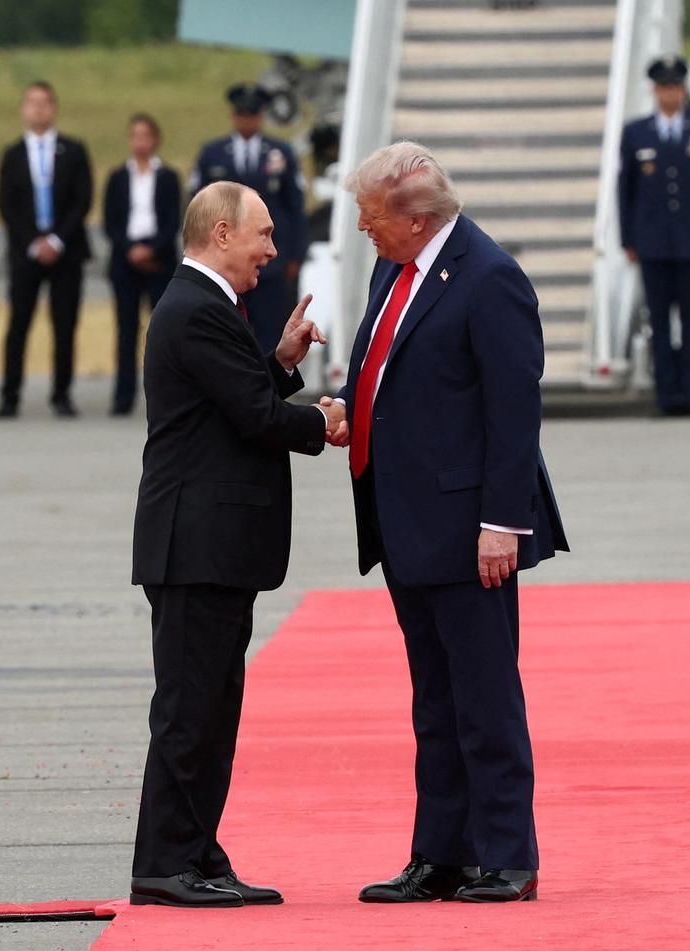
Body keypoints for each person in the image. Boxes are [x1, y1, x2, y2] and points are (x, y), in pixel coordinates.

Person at [319, 142, 569, 904]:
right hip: (404, 522)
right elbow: (394, 377)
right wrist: (345, 406)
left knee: (485, 698)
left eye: (371, 216)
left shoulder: (490, 278)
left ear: (416, 217)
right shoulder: (393, 268)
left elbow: (513, 411)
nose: (362, 227)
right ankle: (442, 852)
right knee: (435, 700)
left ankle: (506, 856)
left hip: (470, 528)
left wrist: (504, 522)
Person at [128, 181, 329, 909]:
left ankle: (197, 852)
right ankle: (164, 863)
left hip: (212, 545)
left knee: (213, 708)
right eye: (263, 235)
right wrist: (326, 422)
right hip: (195, 546)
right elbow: (255, 418)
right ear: (220, 233)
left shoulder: (208, 307)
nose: (272, 251)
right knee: (190, 710)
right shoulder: (196, 307)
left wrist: (277, 360)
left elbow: (235, 400)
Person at [618, 55, 690, 417]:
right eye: (664, 88)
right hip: (652, 243)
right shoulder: (637, 133)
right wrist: (628, 239)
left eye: (676, 87)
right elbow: (626, 190)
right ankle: (666, 396)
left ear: (683, 90)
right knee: (660, 323)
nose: (670, 94)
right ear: (655, 90)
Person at [0, 80, 94, 419]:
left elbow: (83, 200)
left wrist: (56, 240)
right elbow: (5, 204)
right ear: (24, 109)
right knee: (18, 323)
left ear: (54, 108)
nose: (38, 108)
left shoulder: (74, 150)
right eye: (32, 103)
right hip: (26, 252)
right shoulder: (12, 154)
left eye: (45, 102)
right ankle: (10, 396)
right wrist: (33, 241)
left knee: (64, 325)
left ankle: (62, 394)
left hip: (66, 251)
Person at [188, 83, 306, 355]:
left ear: (261, 116)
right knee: (226, 335)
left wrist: (294, 256)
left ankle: (270, 393)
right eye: (242, 114)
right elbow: (198, 208)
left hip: (270, 261)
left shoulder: (281, 153)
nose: (247, 119)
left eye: (253, 114)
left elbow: (295, 207)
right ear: (234, 115)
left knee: (269, 334)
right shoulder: (213, 153)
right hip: (225, 261)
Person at [102, 113, 181, 416]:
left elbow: (173, 220)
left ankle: (165, 396)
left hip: (158, 259)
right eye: (135, 135)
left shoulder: (168, 177)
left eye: (145, 135)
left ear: (155, 139)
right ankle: (123, 396)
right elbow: (110, 221)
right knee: (126, 329)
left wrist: (152, 250)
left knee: (161, 331)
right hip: (125, 259)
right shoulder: (118, 177)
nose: (140, 142)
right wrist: (130, 249)